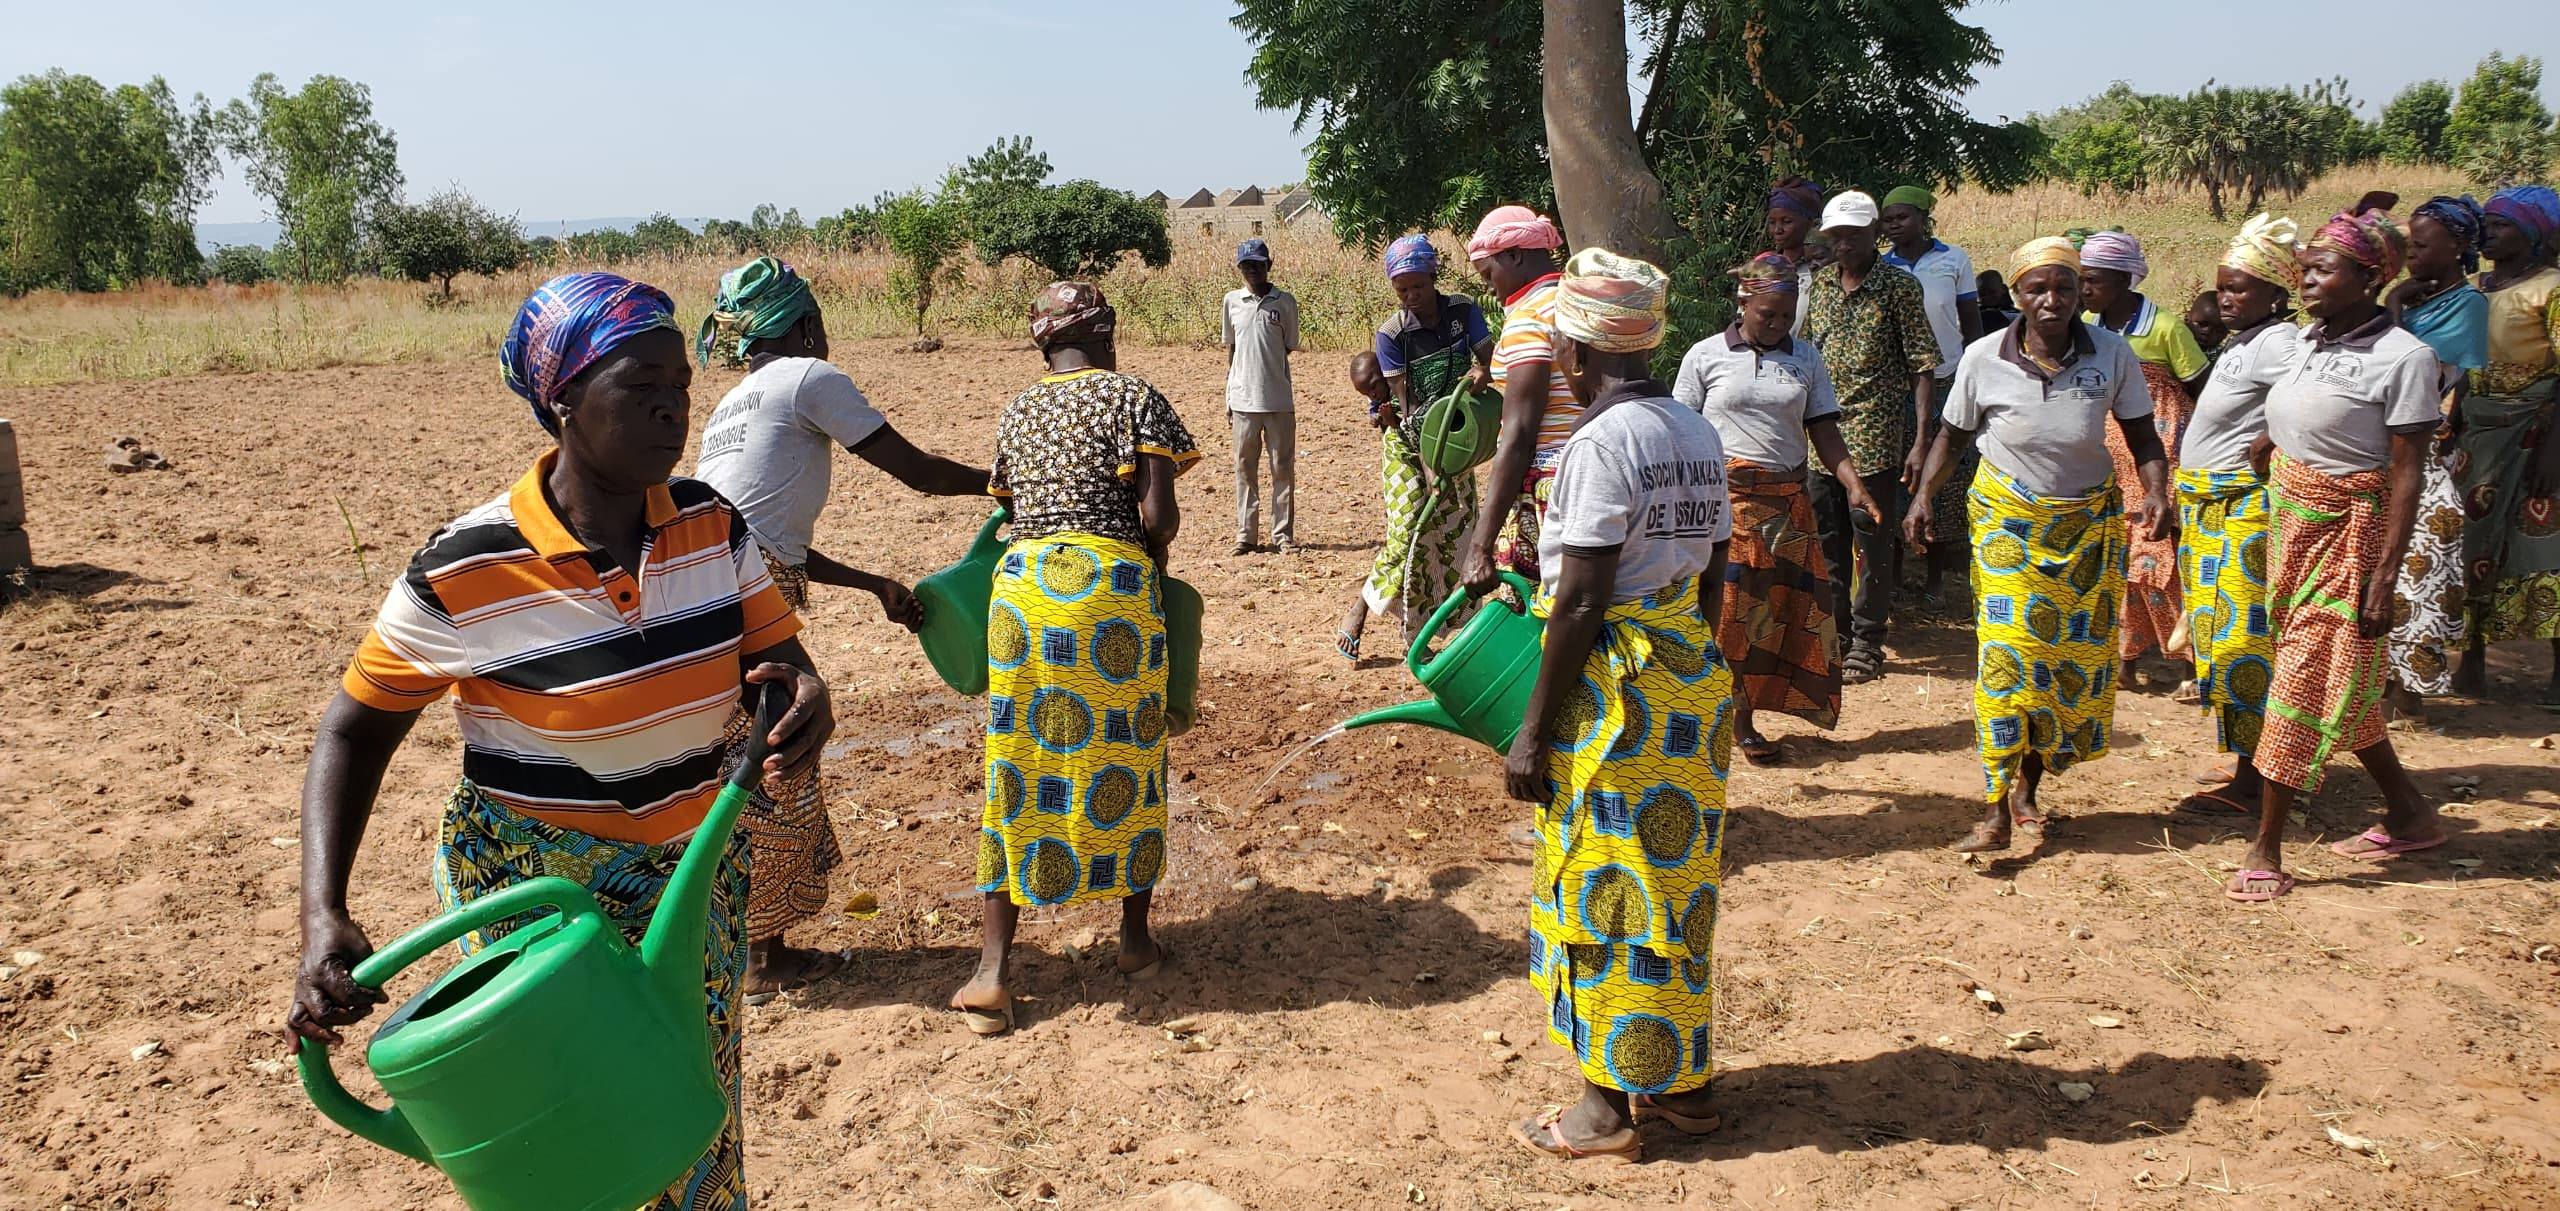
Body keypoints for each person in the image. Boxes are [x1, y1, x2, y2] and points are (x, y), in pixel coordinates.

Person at [284, 272, 836, 1210]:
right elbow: (353, 728)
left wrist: (808, 698)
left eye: (682, 385)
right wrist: (320, 911)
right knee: (577, 1129)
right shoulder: (465, 569)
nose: (673, 406)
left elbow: (781, 653)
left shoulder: (712, 524)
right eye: (642, 385)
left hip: (689, 879)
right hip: (536, 900)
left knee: (689, 1104)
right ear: (565, 400)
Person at [691, 256, 991, 1002]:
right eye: (818, 315)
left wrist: (871, 584)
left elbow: (763, 535)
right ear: (798, 324)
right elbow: (915, 472)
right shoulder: (806, 378)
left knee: (748, 748)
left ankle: (748, 944)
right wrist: (1001, 482)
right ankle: (764, 961)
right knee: (780, 746)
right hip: (742, 592)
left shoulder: (731, 404)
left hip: (713, 584)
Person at [1500, 248, 1732, 1163]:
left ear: (1571, 346)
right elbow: (1713, 576)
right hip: (1688, 680)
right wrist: (1692, 662)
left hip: (1617, 699)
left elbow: (1585, 602)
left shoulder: (1600, 444)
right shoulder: (1695, 429)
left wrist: (1531, 728)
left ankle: (1604, 1108)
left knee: (1606, 887)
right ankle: (1685, 1092)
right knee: (1675, 887)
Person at [958, 282, 1197, 1035]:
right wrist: (1152, 552)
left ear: (1042, 343)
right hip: (1107, 593)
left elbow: (1009, 506)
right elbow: (1157, 515)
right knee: (1126, 753)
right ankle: (1133, 941)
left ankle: (994, 971)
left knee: (1018, 764)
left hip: (1022, 598)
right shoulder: (1135, 397)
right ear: (1106, 332)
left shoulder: (1019, 409)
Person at [1905, 238, 2168, 853]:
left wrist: (2157, 490)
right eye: (2037, 289)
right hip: (2007, 522)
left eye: (2066, 289)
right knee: (2011, 658)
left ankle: (2028, 789)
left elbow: (2142, 434)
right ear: (2018, 295)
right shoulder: (1981, 357)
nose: (2052, 301)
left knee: (2062, 666)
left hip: (2086, 529)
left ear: (2081, 295)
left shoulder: (2112, 353)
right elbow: (1953, 435)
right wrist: (1921, 500)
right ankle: (1995, 807)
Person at [2228, 208, 2445, 901]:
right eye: (2307, 267)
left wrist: (2384, 577)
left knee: (2301, 678)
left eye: (2323, 269)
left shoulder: (2404, 358)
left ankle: (2266, 845)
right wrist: (2270, 438)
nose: (2307, 278)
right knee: (2334, 677)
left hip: (2351, 538)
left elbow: (2407, 474)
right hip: (2294, 526)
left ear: (2369, 277)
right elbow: (2303, 407)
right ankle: (2409, 811)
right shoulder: (2309, 340)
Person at [1674, 253, 1876, 764]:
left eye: (1787, 316)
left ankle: (1743, 717)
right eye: (1768, 314)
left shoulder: (1805, 359)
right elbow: (1682, 430)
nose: (1778, 324)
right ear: (1743, 303)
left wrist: (1853, 484)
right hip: (1725, 503)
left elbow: (1824, 430)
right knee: (1730, 612)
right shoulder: (1704, 356)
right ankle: (1709, 714)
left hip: (1787, 506)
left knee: (1778, 615)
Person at [2172, 214, 2302, 818]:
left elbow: (2307, 397)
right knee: (2218, 642)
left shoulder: (2280, 342)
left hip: (2241, 509)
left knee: (2241, 642)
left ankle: (2255, 780)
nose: (2226, 297)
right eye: (2223, 285)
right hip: (2209, 508)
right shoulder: (2243, 342)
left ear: (2278, 294)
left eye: (2241, 287)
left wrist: (2275, 435)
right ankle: (2247, 763)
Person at [1800, 189, 1940, 684]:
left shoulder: (1898, 288)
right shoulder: (1817, 286)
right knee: (1829, 542)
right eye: (1835, 237)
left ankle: (1868, 641)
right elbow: (1806, 354)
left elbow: (1923, 365)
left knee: (1871, 543)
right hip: (1823, 439)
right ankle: (1836, 637)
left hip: (1877, 435)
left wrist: (1922, 440)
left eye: (1852, 236)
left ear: (1874, 234)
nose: (1842, 246)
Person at [1339, 235, 1490, 658]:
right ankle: (1363, 609)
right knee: (1407, 532)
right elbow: (1407, 414)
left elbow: (1487, 357)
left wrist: (1482, 371)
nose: (1409, 296)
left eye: (1417, 286)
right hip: (1409, 444)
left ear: (1433, 276)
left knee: (1452, 536)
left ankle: (1437, 630)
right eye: (1401, 289)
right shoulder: (1392, 334)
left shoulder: (1462, 311)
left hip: (1456, 440)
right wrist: (1429, 470)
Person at [2453, 186, 2560, 708]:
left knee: (2542, 544)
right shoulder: (2475, 289)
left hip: (2537, 431)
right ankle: (2471, 661)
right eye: (2487, 225)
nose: (2489, 233)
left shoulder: (2551, 289)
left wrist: (2551, 449)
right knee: (2472, 539)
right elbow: (2465, 366)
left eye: (2503, 225)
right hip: (2480, 430)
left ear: (2534, 234)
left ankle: (2558, 671)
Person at [2079, 230, 2201, 687]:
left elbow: (2198, 388)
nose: (2086, 290)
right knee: (2118, 555)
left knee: (2163, 551)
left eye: (2094, 281)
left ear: (2124, 279)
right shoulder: (2088, 328)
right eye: (2082, 280)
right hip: (2109, 453)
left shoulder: (2165, 328)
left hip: (2156, 450)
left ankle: (2189, 662)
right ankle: (2124, 661)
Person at [2384, 196, 2491, 711]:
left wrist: (2394, 308)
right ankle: (2381, 682)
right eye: (2410, 245)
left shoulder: (2468, 306)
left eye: (2423, 245)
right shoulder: (2420, 299)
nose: (2412, 255)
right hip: (2384, 445)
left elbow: (2414, 369)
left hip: (2423, 449)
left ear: (2458, 247)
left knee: (2416, 568)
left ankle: (2411, 692)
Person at [1459, 206, 1577, 591]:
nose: (1489, 288)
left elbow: (1521, 433)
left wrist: (1480, 545)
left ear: (1513, 255)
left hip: (1549, 488)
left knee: (1535, 615)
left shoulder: (1528, 317)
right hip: (1590, 470)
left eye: (1488, 274)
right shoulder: (1577, 302)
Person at [1880, 185, 1985, 605]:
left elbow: (1971, 322)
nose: (1893, 225)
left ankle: (1936, 577)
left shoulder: (1953, 260)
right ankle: (1895, 574)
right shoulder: (1880, 266)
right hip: (1895, 384)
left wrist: (1972, 374)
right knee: (1895, 476)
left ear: (1924, 218)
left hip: (1947, 380)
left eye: (1902, 217)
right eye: (1887, 219)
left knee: (1941, 478)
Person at [1222, 238, 1301, 555]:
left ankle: (1282, 535)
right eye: (1246, 264)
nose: (1252, 269)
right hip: (1242, 401)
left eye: (1258, 263)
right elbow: (1231, 350)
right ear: (1240, 268)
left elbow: (1288, 344)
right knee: (1245, 470)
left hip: (1278, 400)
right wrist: (1229, 395)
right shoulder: (1232, 301)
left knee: (1282, 469)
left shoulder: (1284, 302)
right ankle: (1247, 536)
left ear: (1270, 265)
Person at [1767, 177, 1826, 333]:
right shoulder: (1765, 269)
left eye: (1786, 222)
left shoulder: (1824, 271)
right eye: (1772, 222)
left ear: (1811, 223)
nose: (1777, 230)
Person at [2186, 290, 2230, 358]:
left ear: (2226, 333)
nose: (2207, 332)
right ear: (2188, 317)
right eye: (2202, 324)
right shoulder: (2170, 343)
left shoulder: (2222, 359)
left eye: (2218, 330)